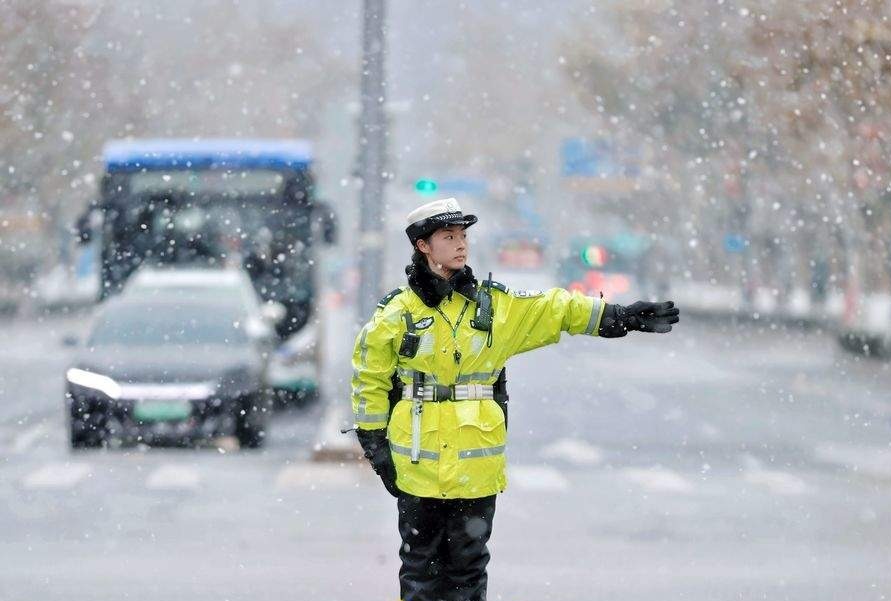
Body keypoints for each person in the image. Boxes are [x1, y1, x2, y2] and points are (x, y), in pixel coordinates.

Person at [350, 198, 680, 601]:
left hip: (476, 466)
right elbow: (369, 378)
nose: (460, 245)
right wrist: (374, 444)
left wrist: (619, 316)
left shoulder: (493, 306)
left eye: (463, 236)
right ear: (423, 246)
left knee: (468, 572)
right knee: (420, 573)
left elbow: (554, 309)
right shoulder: (397, 314)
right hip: (417, 465)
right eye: (448, 237)